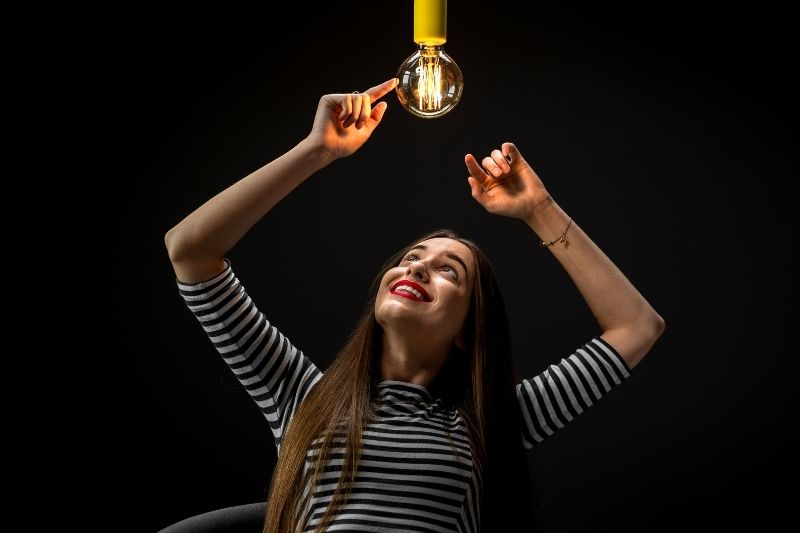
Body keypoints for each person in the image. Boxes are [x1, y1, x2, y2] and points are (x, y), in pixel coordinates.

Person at [165, 77, 665, 533]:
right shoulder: (301, 396)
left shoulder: (496, 420)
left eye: (450, 270)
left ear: (470, 327)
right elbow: (189, 250)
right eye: (410, 259)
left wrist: (539, 211)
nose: (417, 269)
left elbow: (637, 326)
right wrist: (315, 152)